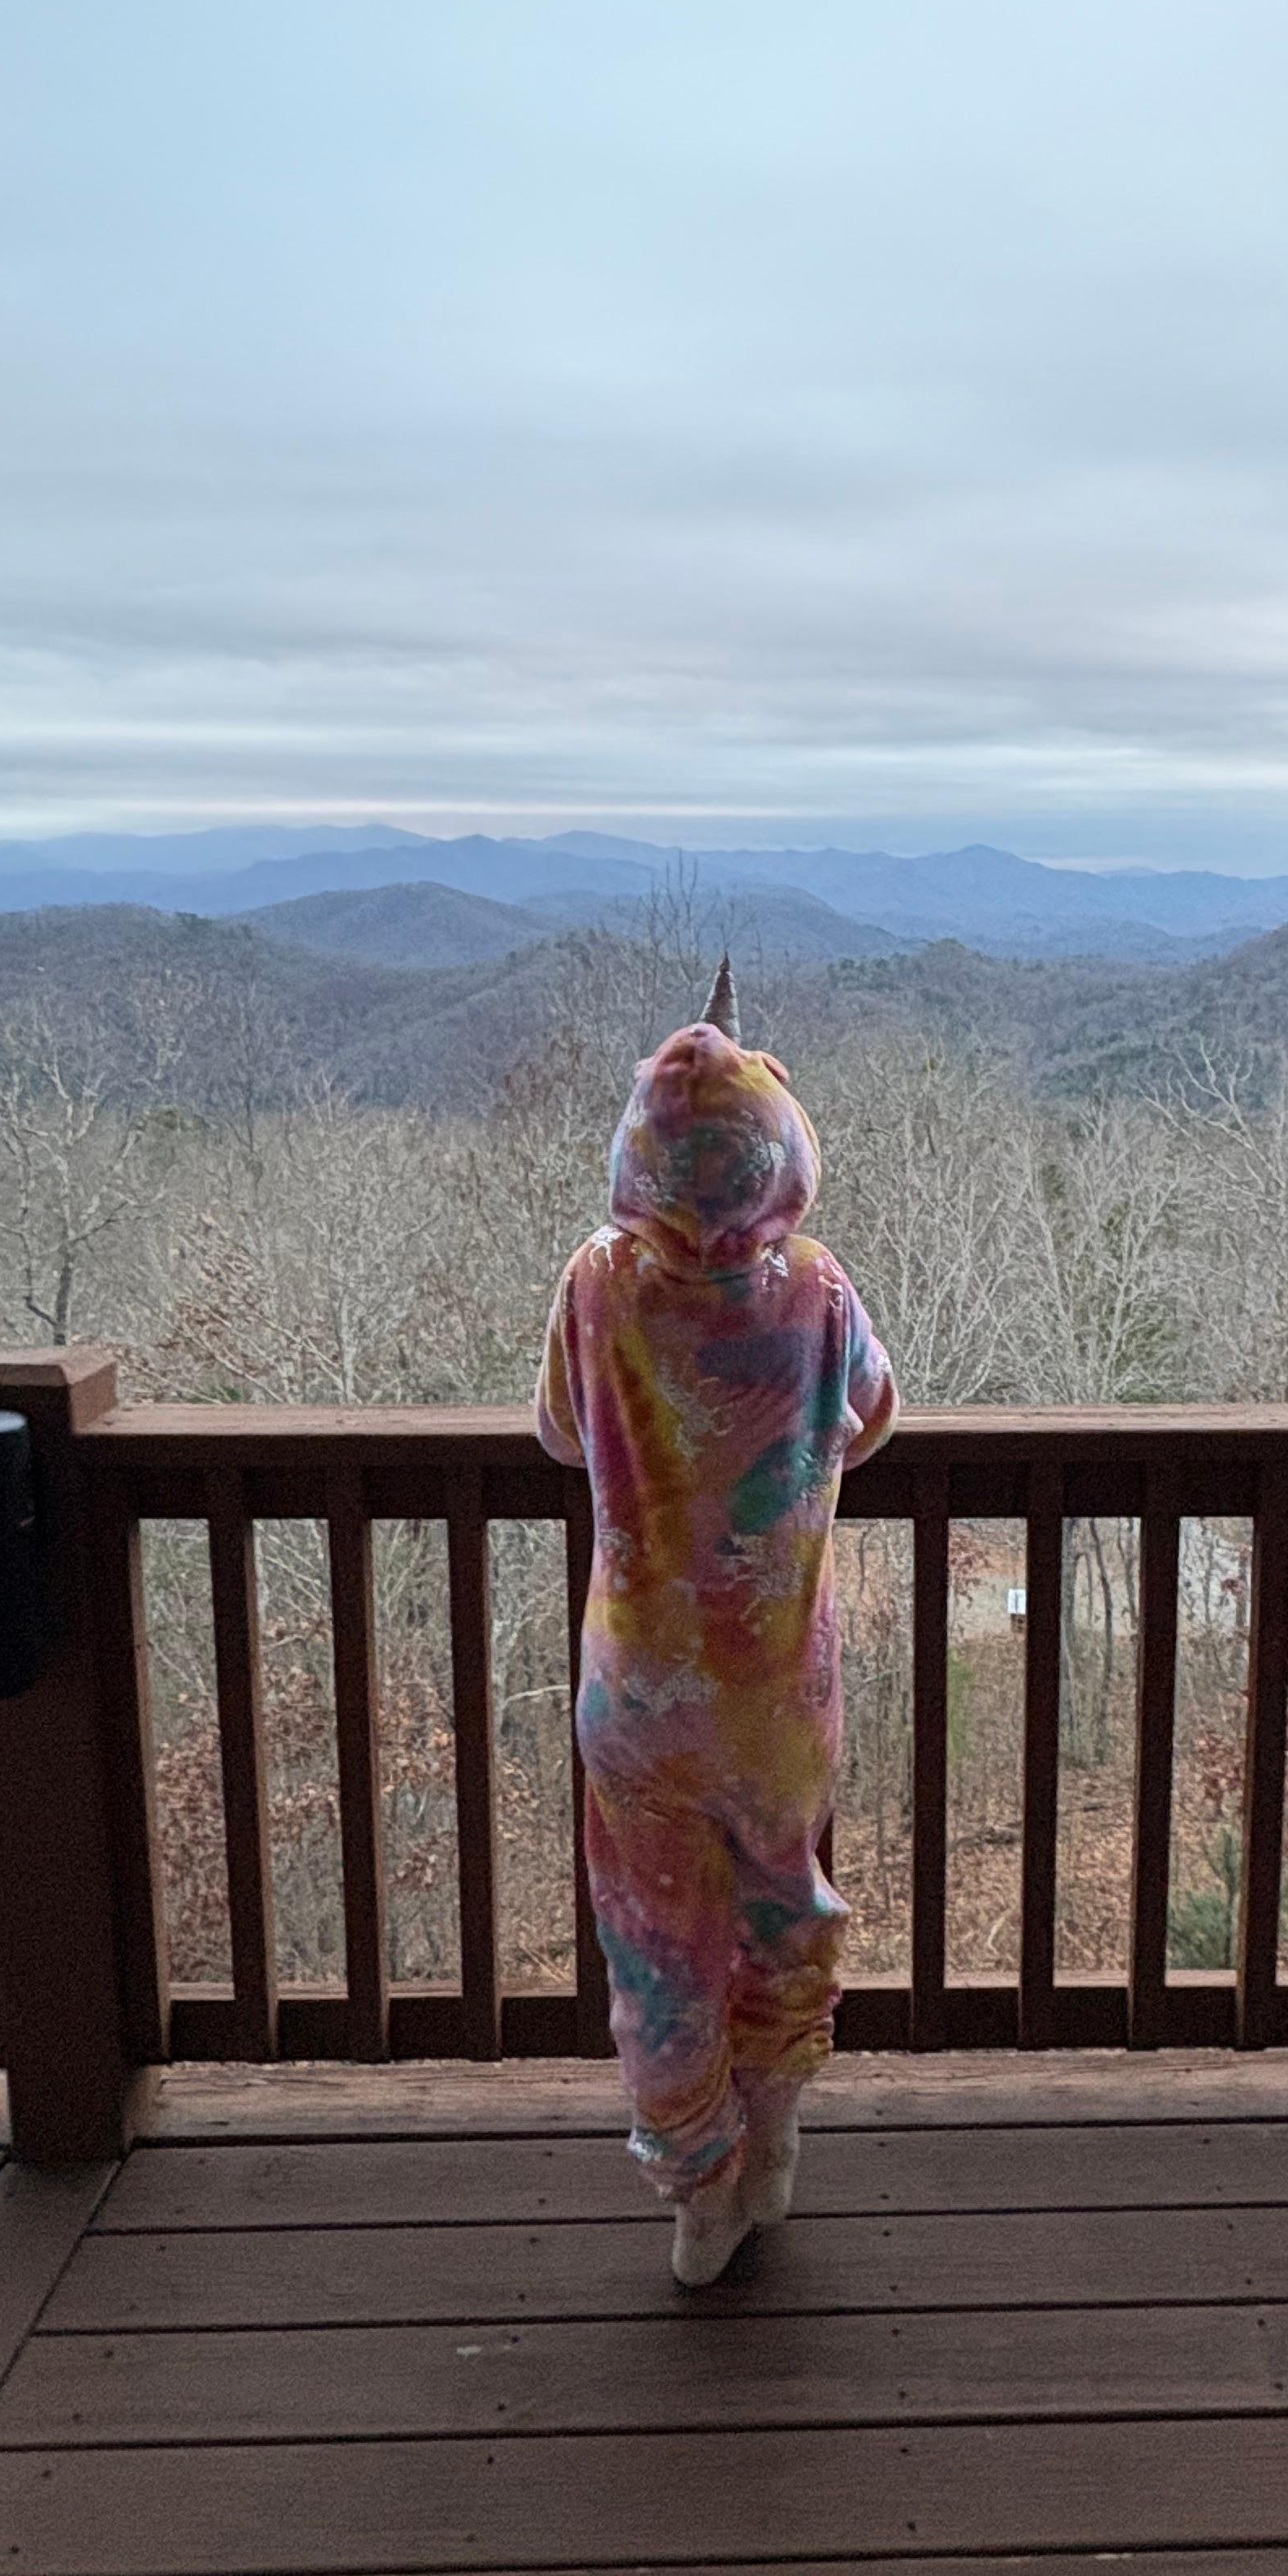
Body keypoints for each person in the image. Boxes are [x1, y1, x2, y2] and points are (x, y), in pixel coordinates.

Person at [536, 957, 898, 2284]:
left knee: (657, 1950)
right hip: (775, 1692)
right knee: (783, 1909)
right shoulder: (818, 1288)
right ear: (778, 1156)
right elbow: (872, 1417)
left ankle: (700, 2194)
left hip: (636, 1695)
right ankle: (776, 2137)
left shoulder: (598, 1284)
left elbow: (559, 1434)